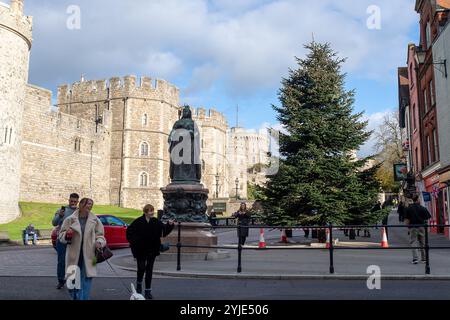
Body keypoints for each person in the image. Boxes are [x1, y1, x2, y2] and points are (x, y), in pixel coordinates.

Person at [58, 198, 106, 300]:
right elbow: (61, 236)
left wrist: (99, 242)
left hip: (89, 255)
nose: (90, 206)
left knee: (86, 279)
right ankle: (75, 296)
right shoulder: (70, 219)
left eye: (91, 204)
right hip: (73, 254)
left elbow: (100, 235)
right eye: (88, 204)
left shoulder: (95, 220)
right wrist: (67, 235)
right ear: (81, 205)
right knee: (72, 280)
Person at [126, 204, 175, 300]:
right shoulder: (138, 221)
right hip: (140, 250)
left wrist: (169, 224)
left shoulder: (156, 221)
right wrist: (134, 242)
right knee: (141, 268)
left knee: (149, 270)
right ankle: (139, 285)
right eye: (150, 211)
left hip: (152, 249)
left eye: (153, 211)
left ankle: (148, 291)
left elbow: (164, 232)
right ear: (145, 212)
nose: (152, 213)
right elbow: (129, 232)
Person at [52, 193, 79, 289]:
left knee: (73, 260)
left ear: (77, 202)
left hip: (75, 240)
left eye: (75, 201)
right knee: (61, 261)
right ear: (68, 200)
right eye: (71, 201)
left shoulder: (79, 212)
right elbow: (54, 223)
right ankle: (61, 280)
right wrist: (59, 216)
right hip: (62, 240)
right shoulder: (62, 210)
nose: (73, 203)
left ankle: (72, 280)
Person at [405, 194, 432, 264]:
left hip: (413, 227)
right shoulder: (422, 208)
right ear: (418, 200)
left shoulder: (409, 208)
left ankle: (415, 259)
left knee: (413, 242)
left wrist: (408, 228)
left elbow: (407, 220)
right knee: (422, 243)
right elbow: (428, 217)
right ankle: (424, 259)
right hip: (421, 227)